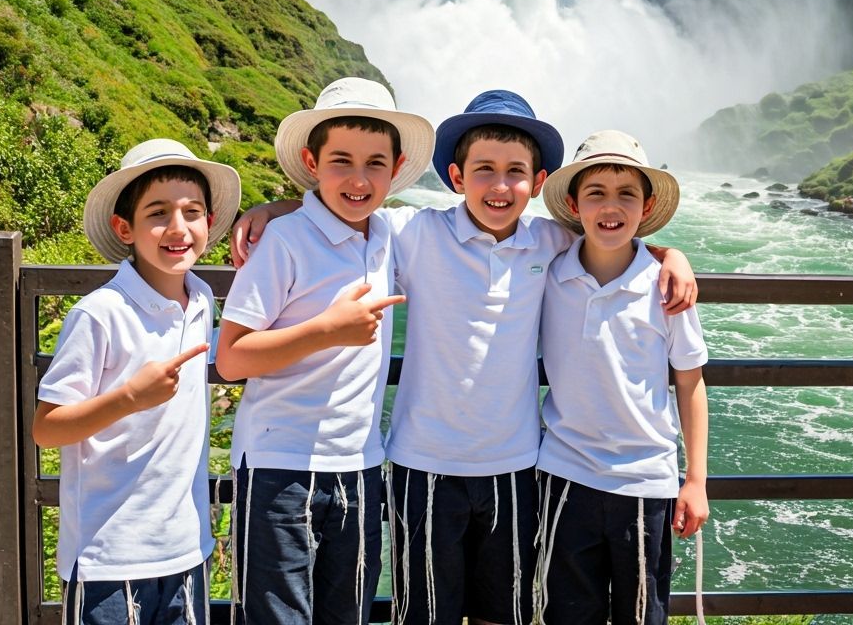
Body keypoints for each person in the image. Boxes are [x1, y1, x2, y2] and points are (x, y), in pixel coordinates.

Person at [232, 90, 698, 625]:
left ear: (539, 184)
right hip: (423, 461)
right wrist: (273, 210)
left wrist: (671, 254)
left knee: (504, 612)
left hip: (516, 465)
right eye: (483, 171)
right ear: (455, 177)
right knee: (426, 612)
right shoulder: (413, 233)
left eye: (515, 173)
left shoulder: (549, 241)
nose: (499, 187)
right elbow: (349, 205)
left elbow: (614, 233)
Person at [214, 77, 435, 625]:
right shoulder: (285, 242)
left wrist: (659, 251)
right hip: (277, 469)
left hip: (360, 467)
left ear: (396, 167)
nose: (358, 180)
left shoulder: (387, 232)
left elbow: (492, 225)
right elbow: (231, 358)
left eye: (374, 164)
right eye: (342, 161)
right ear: (312, 162)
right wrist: (327, 330)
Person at [33, 139, 242, 625]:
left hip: (186, 549)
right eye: (158, 213)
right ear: (124, 228)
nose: (178, 228)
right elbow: (48, 427)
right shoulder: (100, 314)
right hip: (109, 556)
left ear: (209, 224)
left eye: (193, 211)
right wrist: (129, 397)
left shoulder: (201, 298)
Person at [535, 130, 708, 625]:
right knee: (564, 613)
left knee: (642, 615)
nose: (611, 207)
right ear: (573, 203)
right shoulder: (549, 273)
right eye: (596, 194)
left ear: (646, 206)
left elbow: (691, 383)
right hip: (565, 475)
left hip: (646, 482)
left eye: (626, 194)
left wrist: (695, 479)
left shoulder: (667, 288)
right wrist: (668, 251)